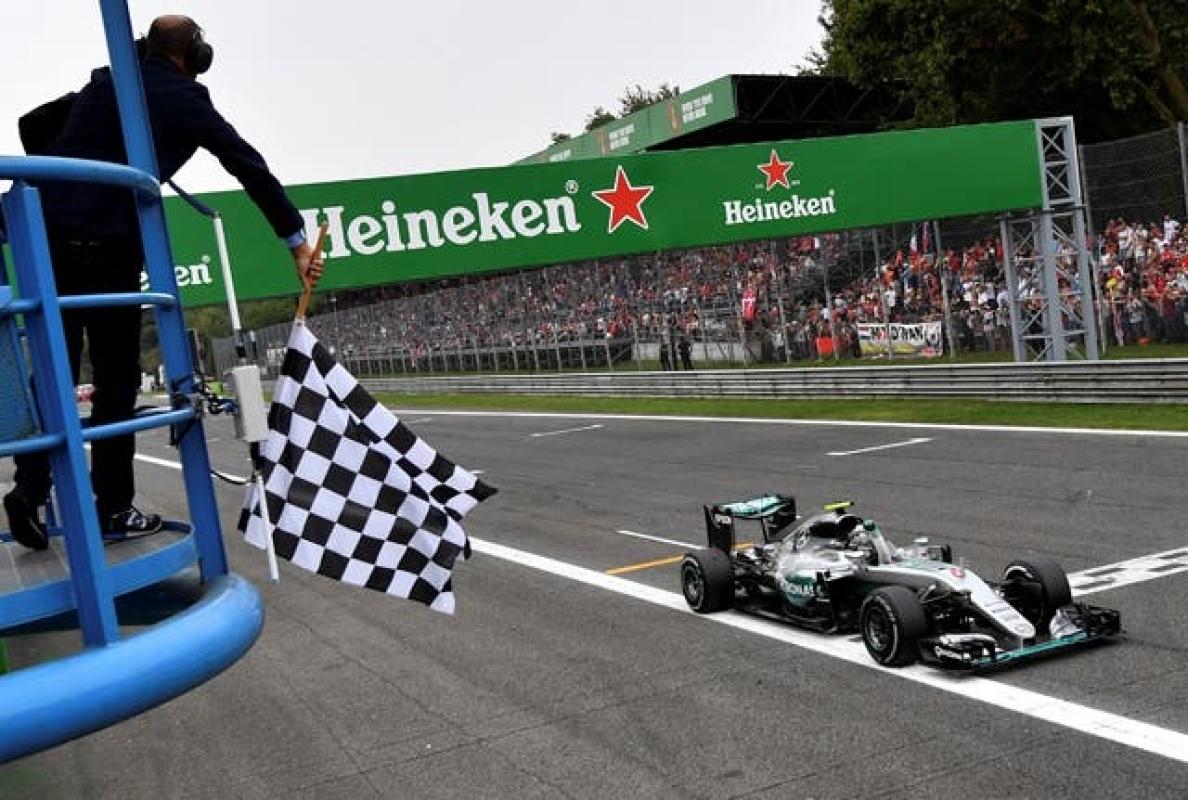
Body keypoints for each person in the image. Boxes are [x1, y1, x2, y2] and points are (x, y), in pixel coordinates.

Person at [4, 15, 323, 550]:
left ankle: (28, 489)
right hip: (109, 247)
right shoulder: (183, 98)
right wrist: (296, 243)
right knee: (116, 381)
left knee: (54, 370)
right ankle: (113, 508)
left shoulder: (107, 82)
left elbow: (32, 126)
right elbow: (248, 164)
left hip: (49, 238)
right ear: (195, 56)